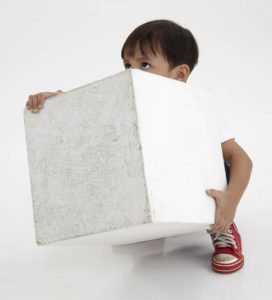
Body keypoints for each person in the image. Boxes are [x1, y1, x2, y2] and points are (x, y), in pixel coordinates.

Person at [25, 19, 253, 274]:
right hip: (155, 176)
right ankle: (144, 217)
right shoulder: (125, 102)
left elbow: (241, 159)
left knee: (216, 162)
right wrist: (59, 104)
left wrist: (230, 200)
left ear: (179, 74)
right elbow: (93, 119)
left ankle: (221, 226)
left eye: (144, 65)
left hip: (191, 178)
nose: (132, 72)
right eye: (127, 65)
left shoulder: (199, 111)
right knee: (112, 148)